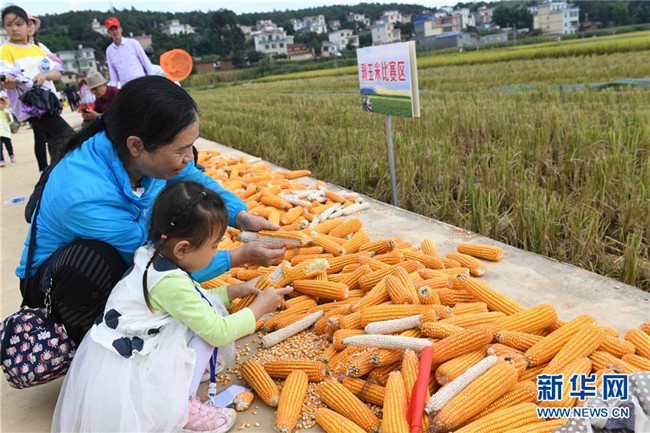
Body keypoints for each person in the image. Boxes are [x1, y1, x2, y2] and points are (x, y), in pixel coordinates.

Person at [17, 75, 285, 345]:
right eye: (180, 150)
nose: (189, 158)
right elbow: (155, 265)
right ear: (136, 145)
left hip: (120, 253)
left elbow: (194, 180)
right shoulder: (83, 195)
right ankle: (88, 342)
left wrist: (239, 216)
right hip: (61, 282)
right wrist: (238, 257)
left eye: (191, 146)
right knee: (96, 258)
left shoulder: (137, 157)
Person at [51, 181, 293, 432]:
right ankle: (183, 408)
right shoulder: (170, 281)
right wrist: (259, 309)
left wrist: (235, 291)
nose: (216, 252)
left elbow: (193, 299)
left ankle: (184, 377)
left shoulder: (152, 255)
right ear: (182, 248)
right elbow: (218, 331)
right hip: (132, 362)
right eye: (214, 246)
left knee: (201, 317)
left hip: (123, 346)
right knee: (205, 332)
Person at [0, 6, 73, 168]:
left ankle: (51, 178)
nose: (14, 28)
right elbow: (5, 80)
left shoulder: (36, 49)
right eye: (9, 25)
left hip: (48, 102)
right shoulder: (5, 50)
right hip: (31, 107)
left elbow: (57, 72)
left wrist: (45, 75)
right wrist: (9, 83)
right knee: (69, 137)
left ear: (28, 25)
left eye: (19, 24)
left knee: (56, 144)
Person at [26, 12, 66, 171]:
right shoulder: (17, 49)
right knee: (42, 136)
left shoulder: (40, 47)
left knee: (53, 137)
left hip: (48, 96)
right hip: (34, 99)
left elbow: (58, 65)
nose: (29, 26)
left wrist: (47, 72)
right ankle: (44, 170)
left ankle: (54, 168)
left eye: (31, 23)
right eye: (26, 23)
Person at [105, 16, 154, 87]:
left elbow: (145, 62)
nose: (115, 32)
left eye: (116, 29)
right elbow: (113, 72)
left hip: (140, 82)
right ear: (109, 32)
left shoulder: (133, 43)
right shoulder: (109, 51)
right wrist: (114, 88)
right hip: (126, 86)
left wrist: (152, 80)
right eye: (112, 30)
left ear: (120, 29)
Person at [0, 95, 15, 166]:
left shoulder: (6, 112)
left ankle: (11, 155)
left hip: (6, 132)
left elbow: (11, 121)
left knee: (8, 145)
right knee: (0, 147)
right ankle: (1, 160)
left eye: (1, 103)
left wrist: (8, 116)